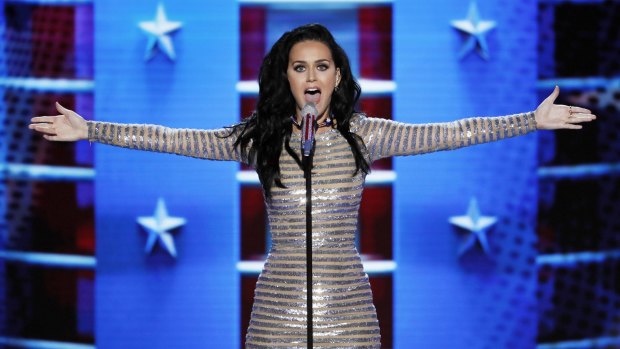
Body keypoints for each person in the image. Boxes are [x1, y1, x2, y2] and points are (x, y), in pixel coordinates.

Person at [29, 24, 595, 348]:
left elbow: (452, 132)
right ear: (286, 78)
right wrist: (90, 130)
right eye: (299, 67)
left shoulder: (365, 135)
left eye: (321, 66)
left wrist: (530, 119)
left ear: (338, 75)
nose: (311, 77)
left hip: (348, 309)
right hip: (276, 310)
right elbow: (174, 137)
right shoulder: (259, 138)